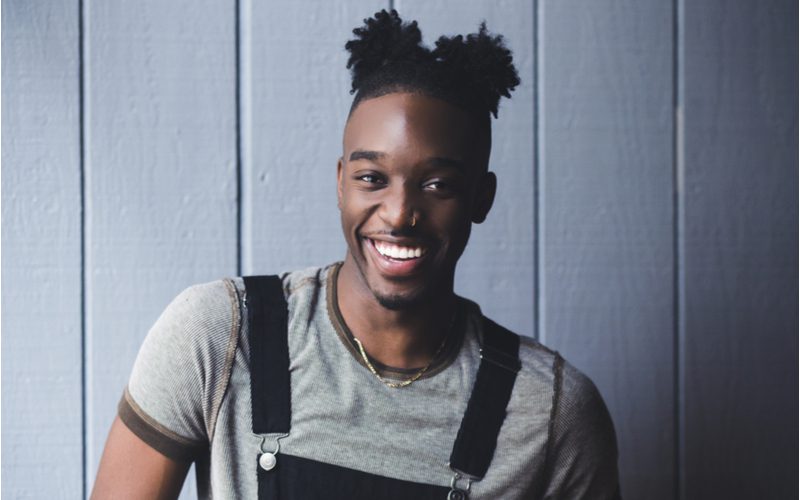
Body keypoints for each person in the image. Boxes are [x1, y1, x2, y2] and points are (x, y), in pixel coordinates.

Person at [92, 9, 621, 500]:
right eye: (372, 178)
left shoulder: (551, 412)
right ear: (341, 183)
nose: (398, 213)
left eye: (437, 185)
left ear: (481, 198)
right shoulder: (220, 336)